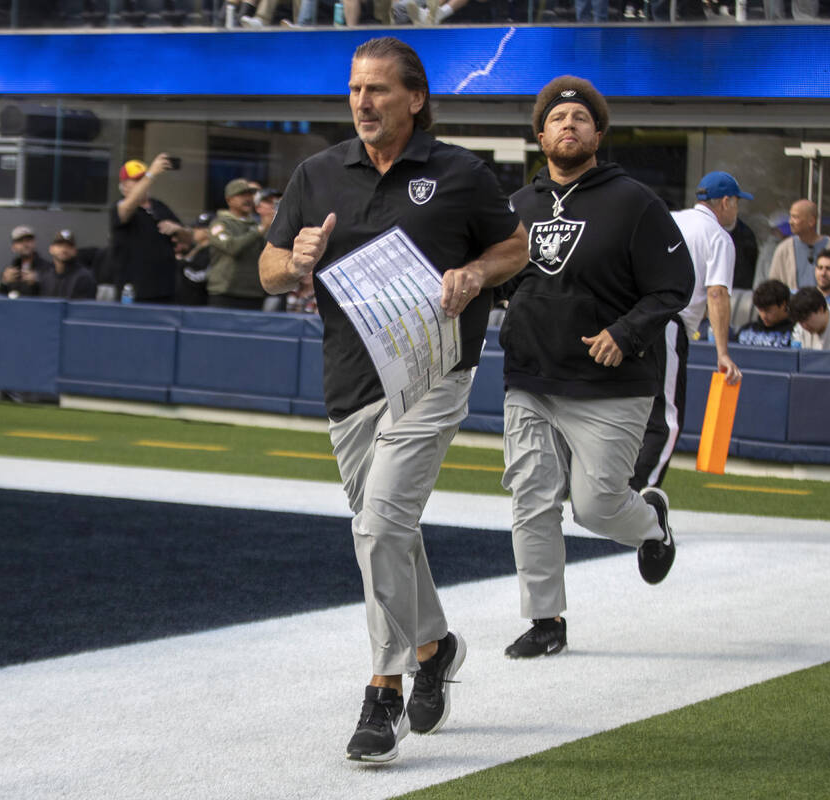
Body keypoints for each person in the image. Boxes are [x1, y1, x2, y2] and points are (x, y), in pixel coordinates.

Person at [258, 37, 527, 764]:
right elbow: (270, 267)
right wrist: (297, 263)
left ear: (414, 98)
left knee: (379, 526)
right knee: (391, 531)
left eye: (377, 90)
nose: (362, 102)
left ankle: (385, 691)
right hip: (349, 380)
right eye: (354, 90)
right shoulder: (317, 173)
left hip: (435, 374)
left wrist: (474, 273)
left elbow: (517, 248)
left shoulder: (459, 172)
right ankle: (435, 647)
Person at [500, 75, 690, 661]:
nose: (568, 125)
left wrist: (625, 333)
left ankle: (652, 523)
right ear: (540, 135)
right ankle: (545, 620)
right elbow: (496, 278)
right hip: (531, 378)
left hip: (611, 383)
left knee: (595, 507)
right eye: (557, 119)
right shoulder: (518, 207)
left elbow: (673, 287)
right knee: (531, 497)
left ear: (598, 134)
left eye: (580, 118)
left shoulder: (634, 201)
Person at [631, 169, 744, 492]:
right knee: (665, 421)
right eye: (736, 203)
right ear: (725, 202)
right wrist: (722, 352)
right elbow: (717, 293)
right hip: (668, 323)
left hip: (633, 319)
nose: (736, 211)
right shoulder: (718, 236)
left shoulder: (669, 220)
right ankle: (635, 498)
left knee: (630, 411)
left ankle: (606, 492)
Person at [111, 154, 185, 304]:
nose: (143, 183)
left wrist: (179, 229)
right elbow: (126, 209)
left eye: (143, 179)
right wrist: (151, 173)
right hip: (135, 290)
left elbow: (188, 238)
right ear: (124, 185)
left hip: (165, 288)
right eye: (137, 180)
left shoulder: (159, 206)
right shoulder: (120, 206)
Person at [207, 179, 271, 310]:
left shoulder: (259, 225)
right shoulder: (220, 224)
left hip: (254, 294)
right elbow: (231, 247)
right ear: (229, 200)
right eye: (241, 195)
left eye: (250, 195)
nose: (247, 199)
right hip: (225, 293)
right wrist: (259, 231)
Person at [769, 199, 830, 292]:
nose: (790, 221)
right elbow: (773, 287)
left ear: (811, 221)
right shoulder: (784, 249)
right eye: (790, 217)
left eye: (795, 217)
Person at [736, 279, 798, 348]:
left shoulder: (796, 333)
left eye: (768, 310)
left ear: (783, 305)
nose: (763, 316)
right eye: (760, 310)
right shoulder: (746, 330)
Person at [39, 230, 97, 300]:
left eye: (69, 246)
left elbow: (84, 309)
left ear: (75, 251)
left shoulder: (84, 278)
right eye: (60, 245)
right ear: (51, 249)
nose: (64, 249)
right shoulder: (46, 277)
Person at [0, 225, 51, 298]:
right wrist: (4, 282)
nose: (25, 244)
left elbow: (52, 296)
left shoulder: (47, 268)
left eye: (28, 240)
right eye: (20, 241)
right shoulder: (10, 269)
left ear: (34, 243)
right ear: (13, 247)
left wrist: (37, 282)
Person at [175, 212, 212, 307]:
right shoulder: (196, 248)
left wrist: (180, 263)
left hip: (198, 302)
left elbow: (200, 276)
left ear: (208, 231)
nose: (194, 230)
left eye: (199, 228)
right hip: (185, 301)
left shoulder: (211, 250)